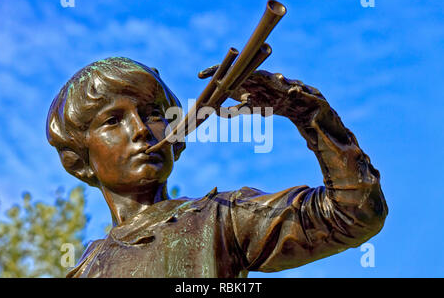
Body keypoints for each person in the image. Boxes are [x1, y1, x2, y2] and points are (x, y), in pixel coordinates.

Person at [46, 57, 388, 277]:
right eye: (113, 121)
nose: (139, 130)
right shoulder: (86, 269)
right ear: (79, 160)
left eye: (152, 115)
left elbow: (353, 215)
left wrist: (307, 112)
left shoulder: (219, 219)